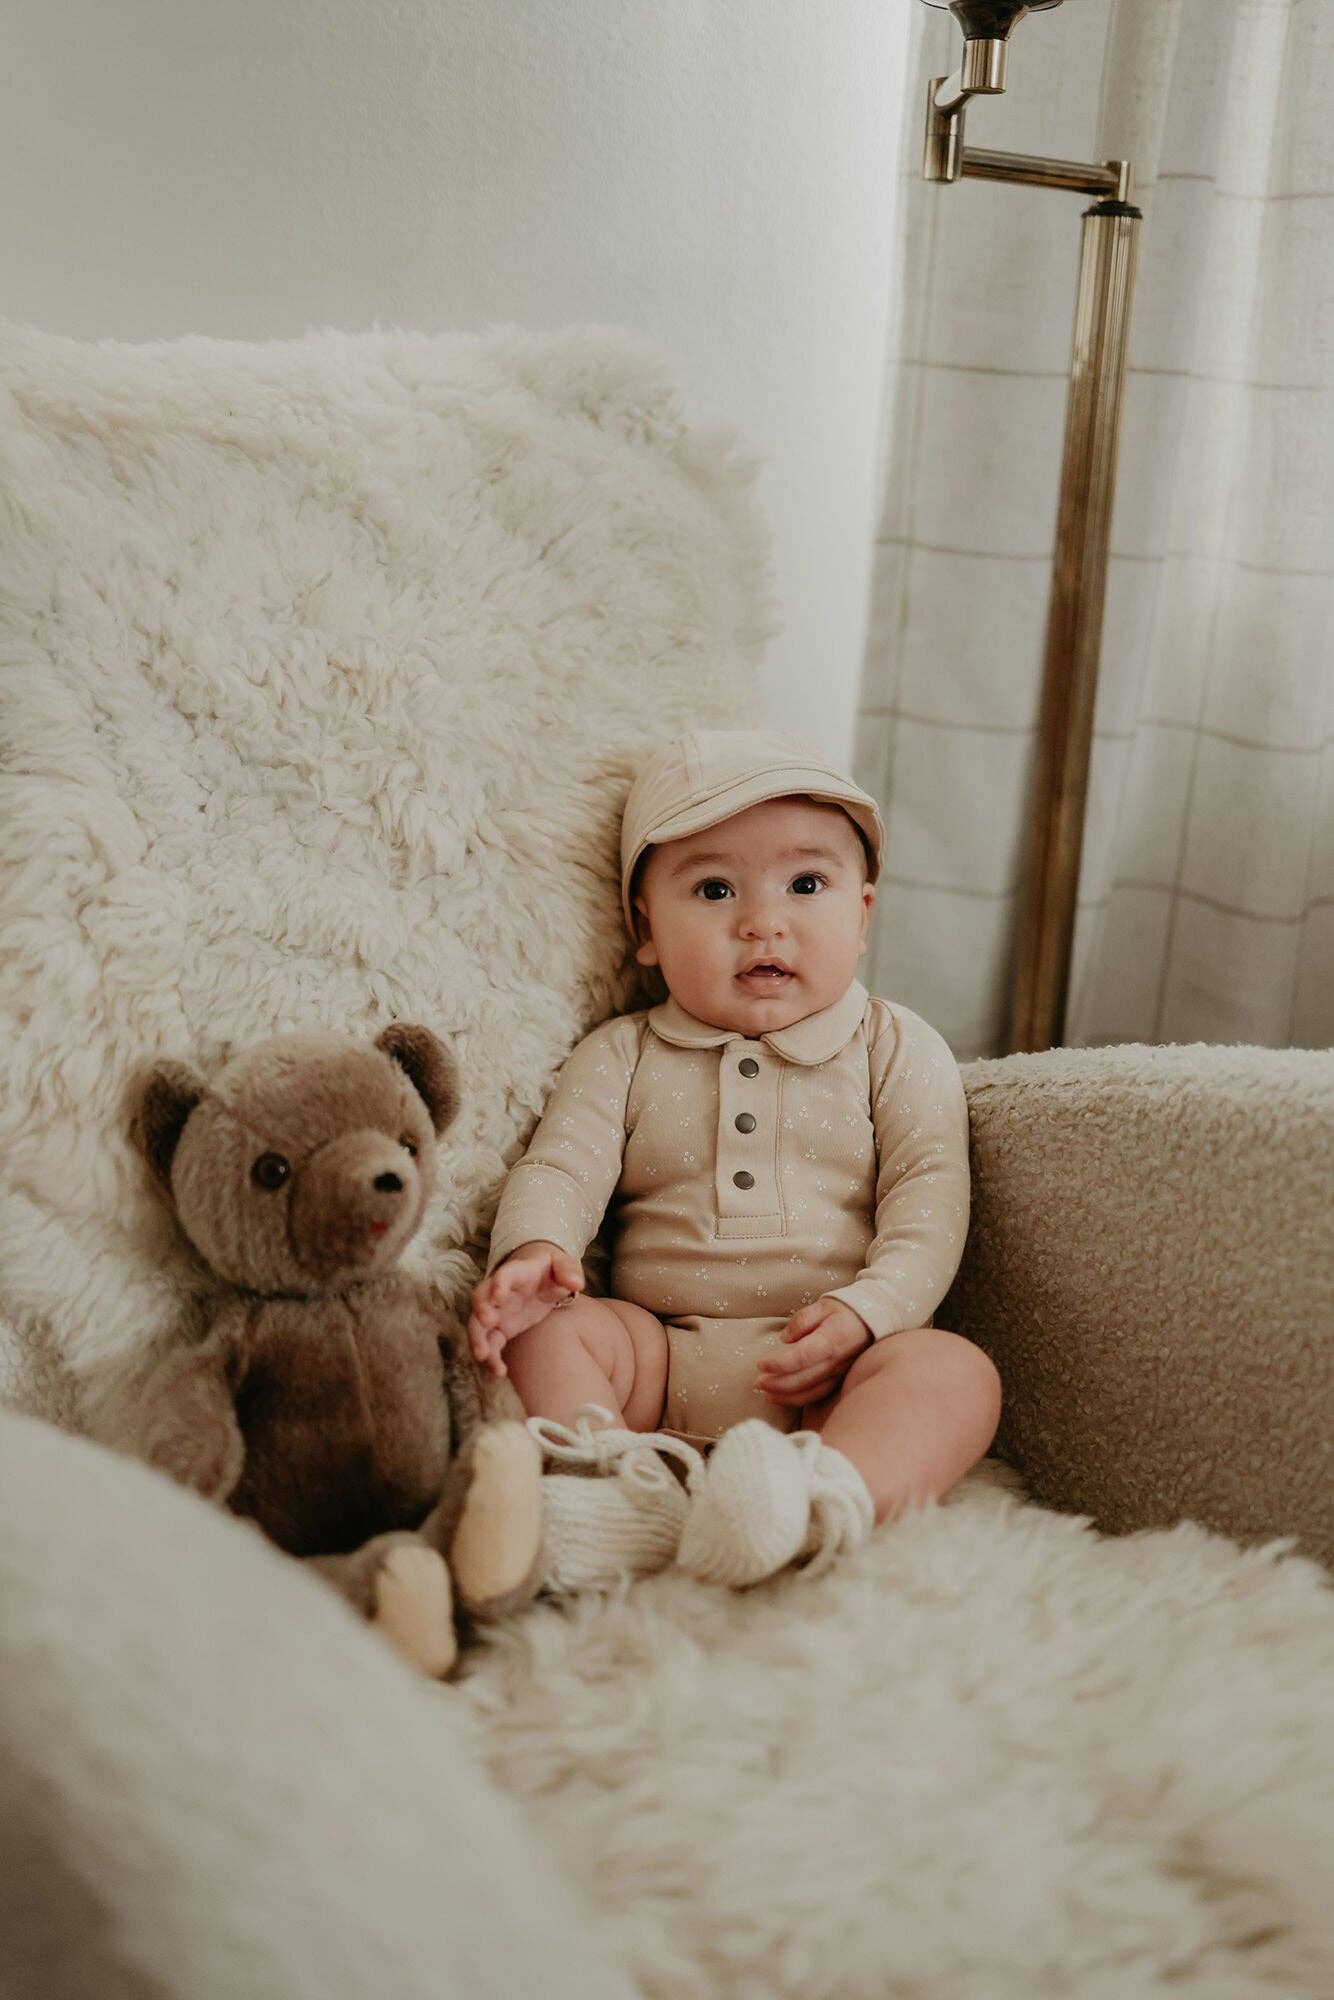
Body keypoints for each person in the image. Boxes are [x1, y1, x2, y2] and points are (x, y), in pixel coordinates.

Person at [468, 730, 1001, 1589]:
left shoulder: (893, 1046)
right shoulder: (624, 1054)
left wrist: (869, 1313)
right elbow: (560, 1170)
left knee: (955, 1374)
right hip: (658, 1361)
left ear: (862, 914)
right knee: (540, 1334)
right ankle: (616, 1496)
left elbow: (930, 1200)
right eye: (715, 888)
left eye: (807, 883)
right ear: (646, 928)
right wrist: (533, 1254)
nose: (763, 921)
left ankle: (821, 1501)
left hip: (830, 1374)